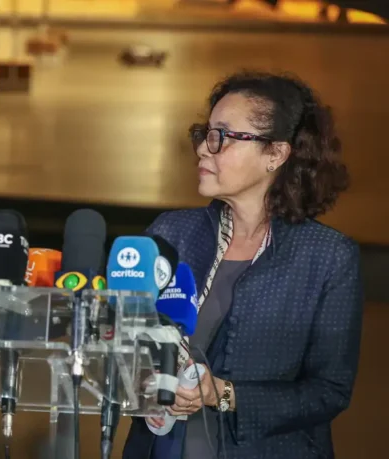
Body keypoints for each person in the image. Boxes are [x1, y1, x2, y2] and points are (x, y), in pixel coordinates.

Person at [123, 71, 362, 458]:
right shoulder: (171, 233)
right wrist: (143, 380)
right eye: (205, 134)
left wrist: (222, 394)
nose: (204, 149)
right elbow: (125, 347)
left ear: (275, 154)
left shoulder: (327, 257)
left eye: (222, 136)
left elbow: (328, 391)